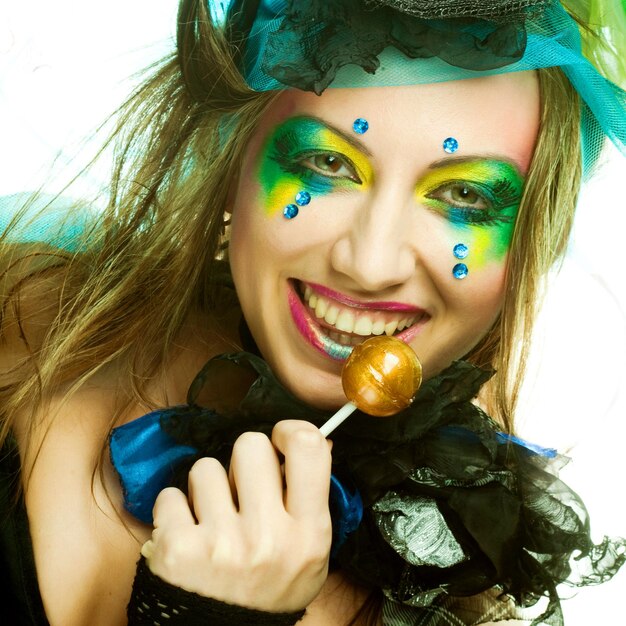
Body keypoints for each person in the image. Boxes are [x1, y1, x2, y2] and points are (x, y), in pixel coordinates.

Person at [1, 1, 625, 625]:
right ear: (232, 166)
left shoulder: (442, 568)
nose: (370, 264)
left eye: (465, 195)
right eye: (327, 163)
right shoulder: (19, 327)